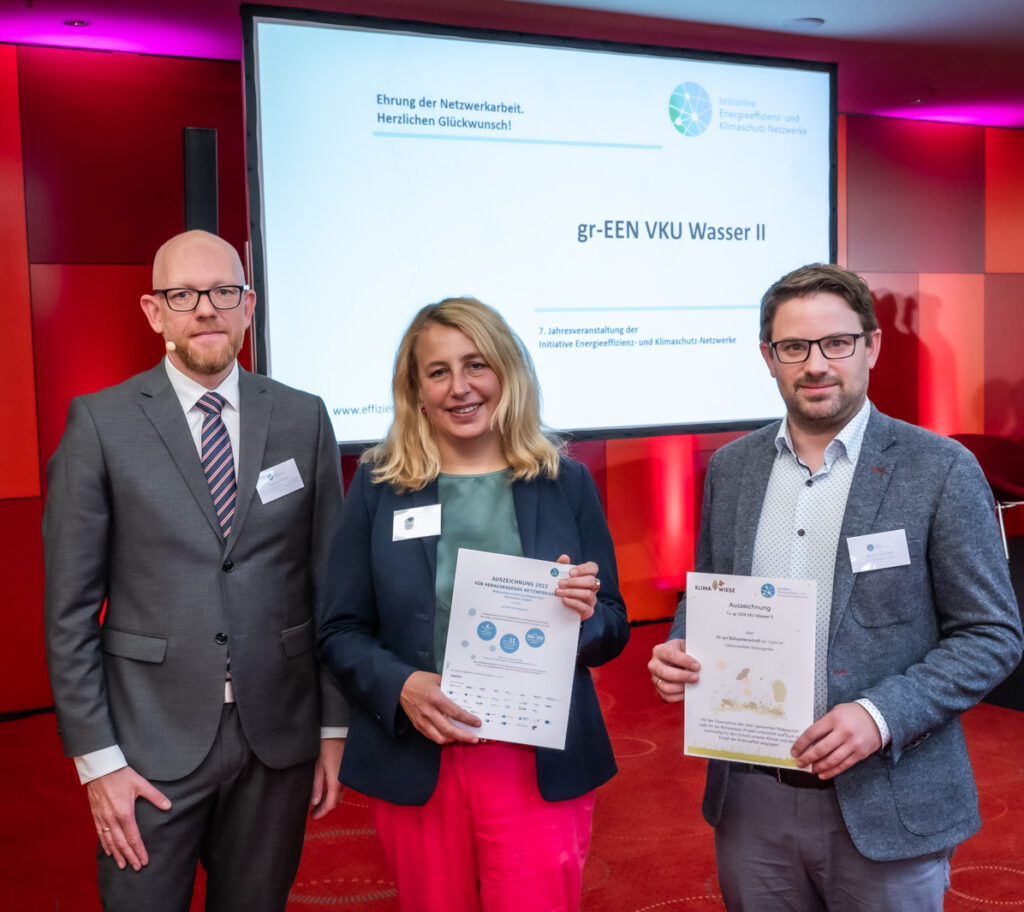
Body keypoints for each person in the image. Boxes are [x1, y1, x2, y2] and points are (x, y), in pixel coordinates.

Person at [648, 263, 1023, 911]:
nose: (816, 364)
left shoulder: (939, 469)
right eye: (794, 347)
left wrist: (880, 716)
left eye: (836, 343)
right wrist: (681, 645)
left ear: (870, 346)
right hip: (752, 799)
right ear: (768, 357)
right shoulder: (732, 470)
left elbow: (991, 635)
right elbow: (707, 593)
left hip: (888, 795)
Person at [43, 230, 348, 912]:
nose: (206, 308)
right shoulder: (100, 424)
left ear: (248, 306)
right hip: (147, 744)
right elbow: (68, 612)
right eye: (183, 295)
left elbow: (329, 588)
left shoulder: (303, 417)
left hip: (277, 738)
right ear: (154, 311)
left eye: (222, 292)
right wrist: (98, 762)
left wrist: (332, 728)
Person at [318, 296, 629, 912]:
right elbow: (339, 630)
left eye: (476, 365)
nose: (460, 387)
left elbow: (613, 624)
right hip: (419, 746)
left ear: (506, 371)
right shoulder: (380, 487)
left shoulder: (564, 482)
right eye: (438, 372)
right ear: (417, 390)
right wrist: (402, 686)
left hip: (535, 756)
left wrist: (583, 616)